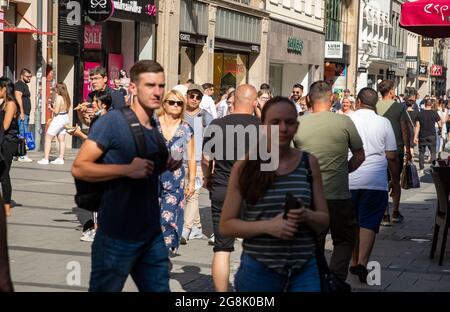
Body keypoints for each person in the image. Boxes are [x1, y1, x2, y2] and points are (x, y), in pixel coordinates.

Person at [72, 60, 181, 292]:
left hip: (150, 233)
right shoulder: (112, 122)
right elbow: (80, 167)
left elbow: (146, 170)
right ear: (132, 88)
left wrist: (166, 165)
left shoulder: (152, 124)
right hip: (116, 234)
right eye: (150, 85)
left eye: (161, 86)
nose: (158, 92)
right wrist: (126, 170)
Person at [220, 97, 329, 292]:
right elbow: (227, 225)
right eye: (275, 122)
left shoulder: (308, 163)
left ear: (297, 126)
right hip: (259, 270)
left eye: (290, 122)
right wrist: (269, 226)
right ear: (263, 127)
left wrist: (307, 215)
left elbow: (324, 220)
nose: (283, 128)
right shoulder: (245, 166)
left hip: (304, 269)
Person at [293, 81, 365, 282]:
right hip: (338, 196)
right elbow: (360, 156)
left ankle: (312, 279)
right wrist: (344, 170)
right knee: (344, 240)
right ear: (332, 98)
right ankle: (334, 278)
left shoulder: (297, 124)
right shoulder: (344, 122)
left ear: (307, 99)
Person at [202, 84, 261, 292]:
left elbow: (206, 159)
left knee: (222, 248)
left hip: (223, 189)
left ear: (232, 100)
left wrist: (208, 178)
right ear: (255, 102)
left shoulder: (217, 125)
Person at [348, 88, 399, 283]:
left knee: (353, 222)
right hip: (376, 181)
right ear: (375, 103)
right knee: (368, 223)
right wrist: (394, 181)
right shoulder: (383, 122)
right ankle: (362, 262)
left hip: (350, 178)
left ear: (358, 101)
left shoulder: (348, 119)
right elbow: (392, 156)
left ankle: (353, 262)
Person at [156, 90, 196, 254]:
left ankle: (163, 250)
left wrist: (192, 181)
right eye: (171, 102)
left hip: (174, 179)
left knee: (167, 217)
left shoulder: (186, 128)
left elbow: (192, 157)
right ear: (164, 104)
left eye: (179, 103)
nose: (175, 106)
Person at [180, 84, 213, 243]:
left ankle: (185, 229)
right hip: (179, 160)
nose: (194, 99)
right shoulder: (178, 113)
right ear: (187, 96)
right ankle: (197, 228)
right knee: (185, 194)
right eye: (192, 96)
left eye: (198, 97)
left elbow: (213, 138)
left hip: (198, 162)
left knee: (193, 195)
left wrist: (209, 159)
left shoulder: (205, 116)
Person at [376, 80, 411, 225]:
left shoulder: (374, 107)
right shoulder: (399, 107)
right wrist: (408, 149)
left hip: (378, 150)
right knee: (395, 181)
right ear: (391, 91)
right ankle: (396, 212)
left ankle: (385, 215)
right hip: (395, 149)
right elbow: (404, 129)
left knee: (382, 183)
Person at [0, 77, 21, 218]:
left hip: (8, 142)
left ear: (4, 88)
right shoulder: (3, 103)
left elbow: (5, 126)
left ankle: (7, 208)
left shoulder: (11, 104)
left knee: (4, 173)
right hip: (3, 139)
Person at [37, 82, 71, 165]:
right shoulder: (66, 97)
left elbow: (56, 111)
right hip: (65, 117)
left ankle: (45, 159)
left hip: (59, 118)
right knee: (61, 139)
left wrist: (50, 108)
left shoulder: (59, 97)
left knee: (48, 138)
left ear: (57, 88)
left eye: (55, 88)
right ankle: (61, 158)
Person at [414, 99, 442, 173]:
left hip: (422, 135)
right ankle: (432, 167)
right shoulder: (434, 113)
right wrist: (440, 130)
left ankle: (421, 168)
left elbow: (417, 126)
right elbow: (440, 123)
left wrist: (415, 137)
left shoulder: (420, 113)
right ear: (431, 105)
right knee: (433, 151)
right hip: (432, 135)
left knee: (421, 152)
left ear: (425, 104)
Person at [14, 68, 33, 163]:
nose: (29, 78)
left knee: (21, 133)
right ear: (22, 76)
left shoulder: (24, 85)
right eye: (27, 76)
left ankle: (17, 154)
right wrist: (21, 112)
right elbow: (18, 98)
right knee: (22, 134)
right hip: (22, 114)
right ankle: (22, 155)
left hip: (26, 113)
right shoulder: (19, 85)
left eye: (30, 76)